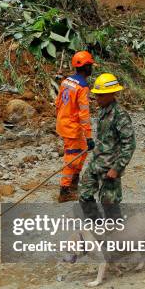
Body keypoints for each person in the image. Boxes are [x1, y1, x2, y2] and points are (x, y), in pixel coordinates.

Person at [78, 73, 136, 220]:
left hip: (110, 167)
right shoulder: (103, 110)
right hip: (97, 163)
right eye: (97, 95)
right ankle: (96, 223)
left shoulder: (120, 115)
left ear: (112, 94)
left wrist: (117, 168)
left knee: (109, 203)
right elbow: (105, 138)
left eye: (101, 96)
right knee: (84, 193)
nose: (97, 99)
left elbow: (129, 144)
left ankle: (116, 233)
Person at [55, 51, 95, 202]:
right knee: (71, 158)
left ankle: (73, 182)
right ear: (85, 68)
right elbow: (84, 114)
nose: (91, 68)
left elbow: (58, 103)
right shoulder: (82, 87)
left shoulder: (66, 81)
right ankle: (64, 191)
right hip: (71, 128)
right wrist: (89, 136)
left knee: (82, 151)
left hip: (64, 124)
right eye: (90, 66)